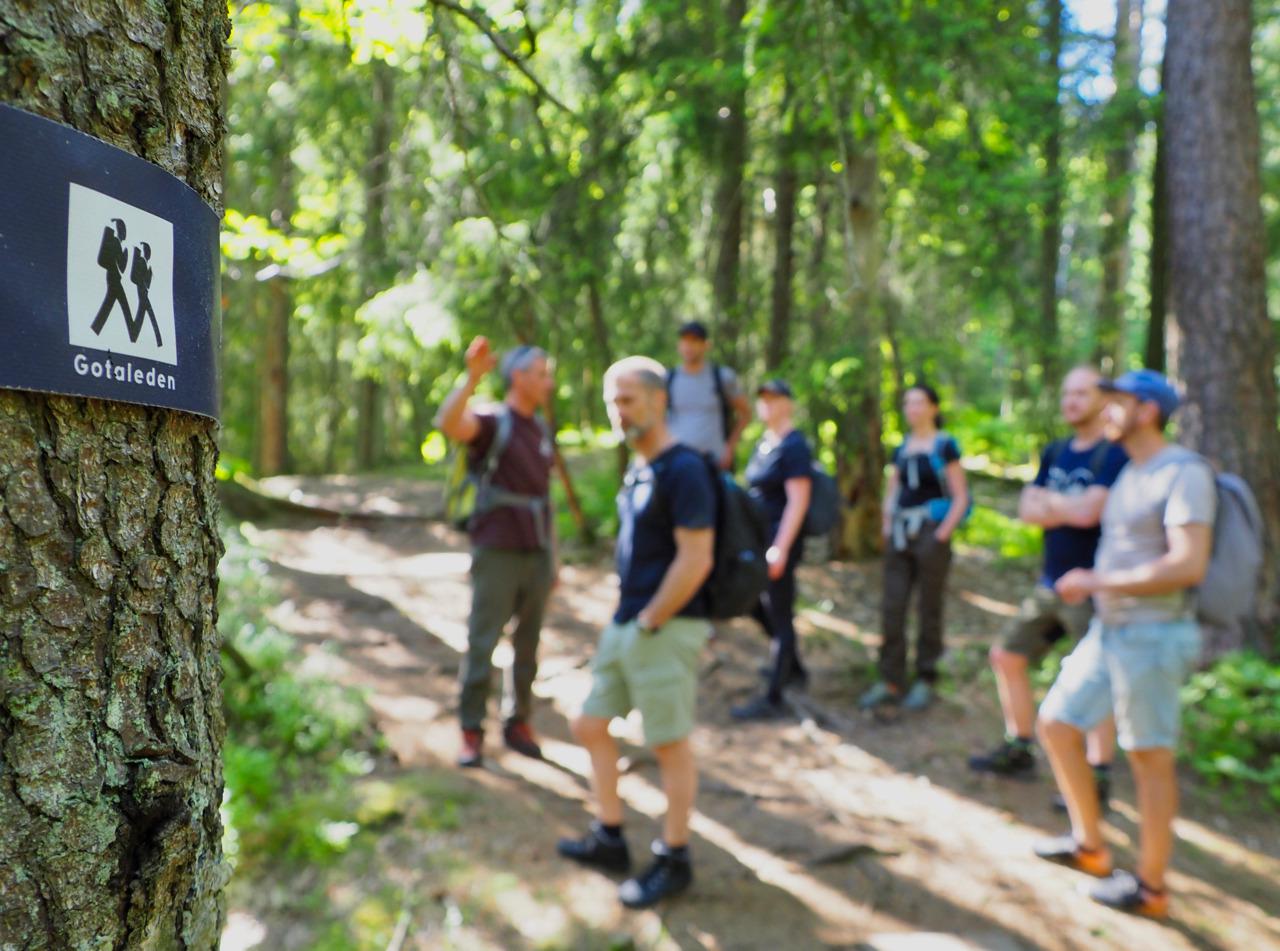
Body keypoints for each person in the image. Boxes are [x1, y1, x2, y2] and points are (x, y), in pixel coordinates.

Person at [1033, 370, 1213, 919]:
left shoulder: (1184, 473)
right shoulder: (1131, 472)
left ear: (1147, 410)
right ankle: (1090, 846)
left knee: (1147, 758)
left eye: (1116, 403)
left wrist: (1096, 582)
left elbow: (1188, 563)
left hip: (1153, 637)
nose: (1105, 411)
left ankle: (1151, 888)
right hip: (1109, 632)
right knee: (1058, 722)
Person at [557, 355, 715, 909]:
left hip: (666, 627)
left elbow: (696, 558)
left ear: (658, 399)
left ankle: (675, 858)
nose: (618, 412)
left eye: (627, 400)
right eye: (611, 401)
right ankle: (610, 837)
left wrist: (652, 618)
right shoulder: (640, 468)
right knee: (589, 723)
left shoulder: (685, 469)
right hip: (628, 623)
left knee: (669, 743)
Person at [969, 367, 1126, 807]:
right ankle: (1019, 747)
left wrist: (1056, 507)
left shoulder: (1112, 454)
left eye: (1082, 393)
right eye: (1066, 393)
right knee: (1007, 655)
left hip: (1093, 588)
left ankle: (1098, 774)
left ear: (1102, 399)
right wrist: (1068, 507)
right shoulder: (1055, 451)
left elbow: (1091, 514)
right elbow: (1027, 509)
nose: (1071, 401)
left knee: (1098, 679)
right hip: (1049, 585)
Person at [435, 337, 557, 768]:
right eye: (542, 373)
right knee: (482, 642)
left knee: (529, 644)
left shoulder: (541, 430)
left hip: (537, 552)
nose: (548, 381)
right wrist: (472, 378)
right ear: (519, 377)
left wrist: (552, 559)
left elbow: (546, 498)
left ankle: (518, 722)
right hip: (497, 551)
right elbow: (449, 422)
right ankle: (471, 730)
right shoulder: (492, 421)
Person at [861, 384, 969, 712]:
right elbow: (892, 489)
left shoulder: (945, 445)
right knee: (893, 606)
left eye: (919, 402)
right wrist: (885, 524)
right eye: (908, 403)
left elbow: (960, 495)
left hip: (930, 532)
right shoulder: (902, 447)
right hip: (899, 534)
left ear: (934, 408)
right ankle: (890, 678)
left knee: (928, 606)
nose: (912, 409)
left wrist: (942, 534)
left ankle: (925, 677)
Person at [731, 379, 813, 721]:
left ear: (788, 404)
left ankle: (775, 695)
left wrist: (780, 548)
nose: (767, 404)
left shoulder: (794, 446)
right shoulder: (764, 443)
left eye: (774, 398)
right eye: (762, 398)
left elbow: (798, 500)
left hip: (781, 543)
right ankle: (793, 667)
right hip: (757, 540)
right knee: (754, 603)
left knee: (780, 612)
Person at [665, 321, 750, 469]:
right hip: (677, 463)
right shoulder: (668, 379)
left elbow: (745, 414)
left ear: (706, 345)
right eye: (685, 340)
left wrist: (729, 448)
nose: (689, 346)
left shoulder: (722, 377)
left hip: (714, 463)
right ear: (679, 345)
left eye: (694, 340)